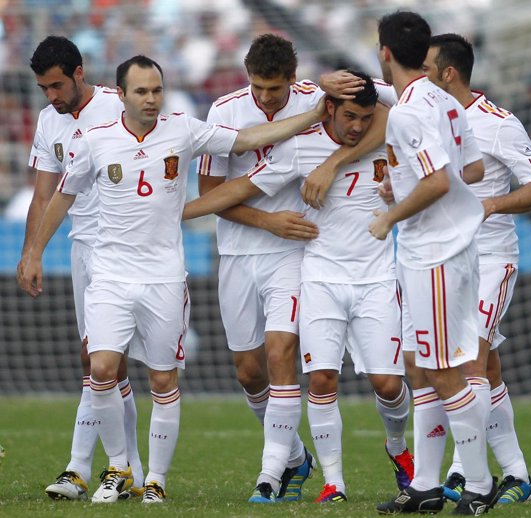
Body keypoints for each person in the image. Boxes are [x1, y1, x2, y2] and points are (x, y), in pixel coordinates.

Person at [19, 54, 327, 504]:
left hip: (164, 277)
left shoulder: (183, 129)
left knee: (163, 381)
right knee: (100, 368)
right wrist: (34, 251)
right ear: (121, 95)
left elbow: (247, 138)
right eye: (141, 91)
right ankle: (120, 467)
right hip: (109, 274)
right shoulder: (95, 140)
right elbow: (61, 198)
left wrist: (313, 115)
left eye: (157, 90)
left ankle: (156, 480)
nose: (151, 99)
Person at [185, 71, 412, 503]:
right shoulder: (299, 145)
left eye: (366, 116)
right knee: (318, 378)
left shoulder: (390, 133)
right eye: (349, 115)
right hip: (320, 277)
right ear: (330, 108)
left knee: (387, 384)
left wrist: (378, 187)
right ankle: (333, 483)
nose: (358, 126)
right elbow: (239, 187)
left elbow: (401, 104)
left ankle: (399, 449)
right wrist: (176, 213)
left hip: (378, 277)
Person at [369, 11, 495, 516]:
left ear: (384, 53)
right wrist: (401, 183)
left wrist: (390, 214)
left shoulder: (406, 112)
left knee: (444, 371)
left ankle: (480, 484)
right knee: (420, 368)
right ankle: (424, 484)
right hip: (440, 250)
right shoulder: (444, 100)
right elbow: (473, 167)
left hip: (436, 253)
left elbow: (440, 182)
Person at [422, 33, 531, 505]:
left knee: (468, 362)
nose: (420, 74)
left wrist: (492, 203)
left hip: (492, 260)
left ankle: (462, 471)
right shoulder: (430, 114)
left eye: (427, 66)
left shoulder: (499, 124)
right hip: (447, 260)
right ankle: (517, 473)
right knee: (486, 368)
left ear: (448, 72)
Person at [19, 35, 144, 501]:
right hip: (82, 248)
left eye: (56, 86)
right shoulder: (49, 121)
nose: (51, 96)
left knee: (100, 361)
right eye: (43, 89)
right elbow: (43, 194)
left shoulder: (119, 105)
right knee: (101, 364)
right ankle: (129, 468)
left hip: (128, 248)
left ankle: (79, 467)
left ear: (79, 72)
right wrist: (31, 253)